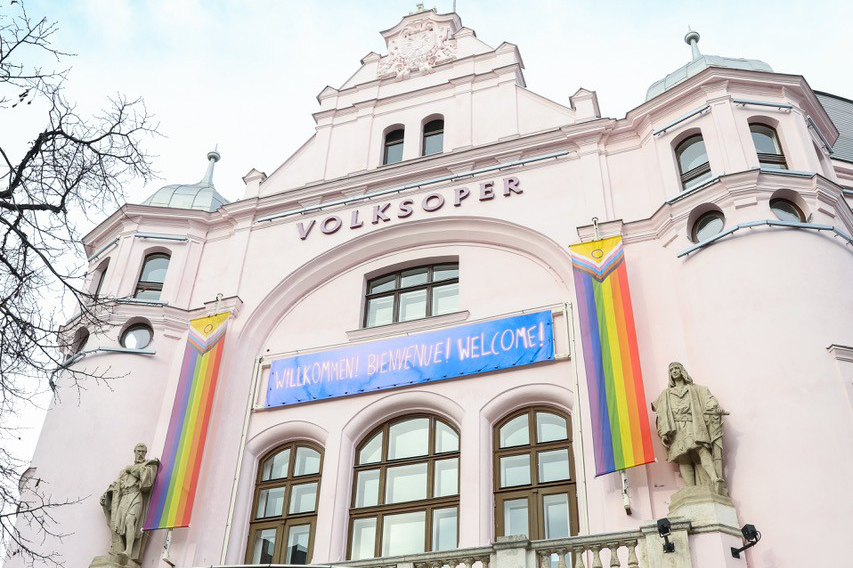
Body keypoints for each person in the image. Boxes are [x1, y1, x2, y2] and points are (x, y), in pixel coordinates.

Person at [651, 362, 727, 493]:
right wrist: (663, 433)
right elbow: (660, 414)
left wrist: (713, 406)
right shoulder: (666, 394)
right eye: (671, 370)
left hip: (693, 424)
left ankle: (714, 478)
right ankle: (691, 489)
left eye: (677, 368)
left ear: (682, 371)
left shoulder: (695, 389)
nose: (674, 371)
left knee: (702, 450)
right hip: (676, 428)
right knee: (683, 458)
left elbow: (708, 399)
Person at [100, 443, 159, 563]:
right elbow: (116, 486)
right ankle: (119, 549)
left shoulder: (148, 466)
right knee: (120, 527)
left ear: (146, 453)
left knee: (129, 521)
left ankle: (129, 551)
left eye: (143, 451)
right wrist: (107, 495)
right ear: (134, 452)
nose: (141, 454)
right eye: (139, 451)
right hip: (124, 499)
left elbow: (146, 482)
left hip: (136, 496)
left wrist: (131, 469)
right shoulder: (124, 472)